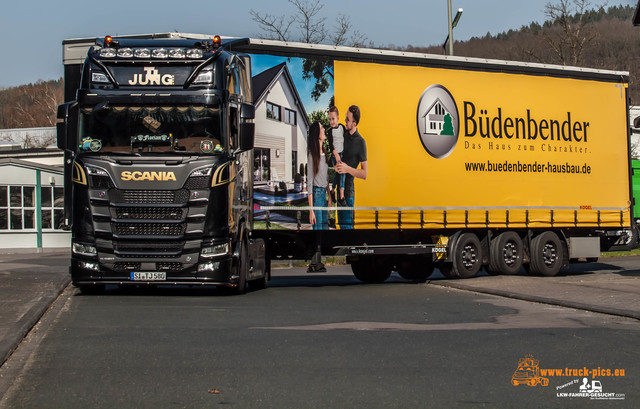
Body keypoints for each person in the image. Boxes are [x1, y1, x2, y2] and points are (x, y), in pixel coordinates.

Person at [335, 105, 368, 229]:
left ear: (354, 123)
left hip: (348, 194)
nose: (345, 121)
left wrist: (347, 169)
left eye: (347, 119)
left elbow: (364, 174)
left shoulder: (361, 142)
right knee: (340, 229)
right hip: (339, 192)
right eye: (345, 118)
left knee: (348, 230)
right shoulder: (342, 135)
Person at [307, 121, 330, 272]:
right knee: (318, 227)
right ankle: (315, 263)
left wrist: (330, 198)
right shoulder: (312, 155)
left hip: (324, 193)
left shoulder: (325, 152)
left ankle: (317, 262)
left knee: (323, 227)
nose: (323, 130)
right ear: (317, 134)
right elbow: (309, 181)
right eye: (322, 128)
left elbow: (327, 177)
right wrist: (311, 210)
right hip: (316, 193)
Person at [327, 106, 346, 204]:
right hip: (335, 155)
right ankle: (342, 196)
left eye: (333, 119)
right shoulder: (330, 131)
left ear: (338, 117)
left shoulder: (342, 127)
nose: (331, 121)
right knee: (342, 172)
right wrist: (336, 155)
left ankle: (333, 189)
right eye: (330, 119)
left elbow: (347, 136)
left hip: (342, 154)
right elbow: (331, 146)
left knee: (338, 174)